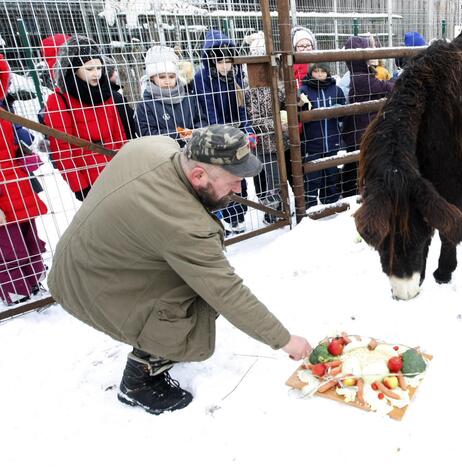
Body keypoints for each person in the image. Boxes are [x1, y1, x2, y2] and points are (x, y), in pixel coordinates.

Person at [47, 124, 313, 415]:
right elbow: (225, 290)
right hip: (89, 285)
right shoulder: (184, 225)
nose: (239, 189)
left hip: (87, 258)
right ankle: (139, 380)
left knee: (195, 278)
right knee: (196, 297)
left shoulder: (153, 146)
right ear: (199, 176)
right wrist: (285, 340)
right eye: (234, 181)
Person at [42, 35, 139, 202]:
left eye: (99, 68)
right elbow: (62, 150)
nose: (96, 74)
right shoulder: (59, 101)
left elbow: (120, 135)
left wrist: (126, 168)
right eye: (89, 69)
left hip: (118, 173)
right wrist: (80, 186)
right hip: (90, 178)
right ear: (73, 69)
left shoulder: (106, 94)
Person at [193, 30, 254, 234]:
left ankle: (240, 213)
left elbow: (242, 106)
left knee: (239, 176)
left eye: (228, 60)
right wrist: (219, 135)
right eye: (219, 61)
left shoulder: (236, 77)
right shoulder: (203, 79)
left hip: (236, 134)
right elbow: (207, 108)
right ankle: (228, 217)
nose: (225, 65)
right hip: (217, 136)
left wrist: (247, 128)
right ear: (211, 61)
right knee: (220, 178)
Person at [0, 53, 49, 305]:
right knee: (8, 244)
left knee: (28, 234)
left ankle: (34, 278)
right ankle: (15, 289)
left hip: (17, 183)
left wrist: (22, 138)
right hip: (4, 188)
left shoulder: (5, 110)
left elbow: (22, 138)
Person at [340, 35, 395, 199]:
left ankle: (352, 192)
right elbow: (384, 87)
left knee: (356, 163)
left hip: (359, 129)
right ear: (360, 57)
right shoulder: (360, 78)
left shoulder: (361, 74)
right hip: (360, 131)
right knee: (357, 164)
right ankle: (353, 194)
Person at [243, 32, 285, 223]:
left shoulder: (278, 84)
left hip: (282, 141)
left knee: (282, 178)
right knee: (271, 181)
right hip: (266, 143)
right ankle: (272, 213)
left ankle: (283, 209)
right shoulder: (251, 90)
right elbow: (254, 119)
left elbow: (286, 104)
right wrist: (278, 123)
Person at [137, 45, 208, 147]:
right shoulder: (145, 104)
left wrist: (193, 133)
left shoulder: (189, 97)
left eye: (171, 76)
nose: (167, 81)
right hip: (163, 152)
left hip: (194, 148)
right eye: (162, 77)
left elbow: (202, 121)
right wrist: (180, 134)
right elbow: (147, 133)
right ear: (152, 77)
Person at [298, 63, 344, 208]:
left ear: (328, 73)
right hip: (312, 143)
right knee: (313, 178)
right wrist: (299, 104)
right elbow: (295, 112)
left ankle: (331, 208)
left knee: (331, 175)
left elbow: (344, 114)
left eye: (323, 71)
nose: (319, 74)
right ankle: (309, 209)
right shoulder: (304, 90)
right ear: (311, 73)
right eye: (316, 71)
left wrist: (340, 111)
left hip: (332, 142)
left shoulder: (336, 90)